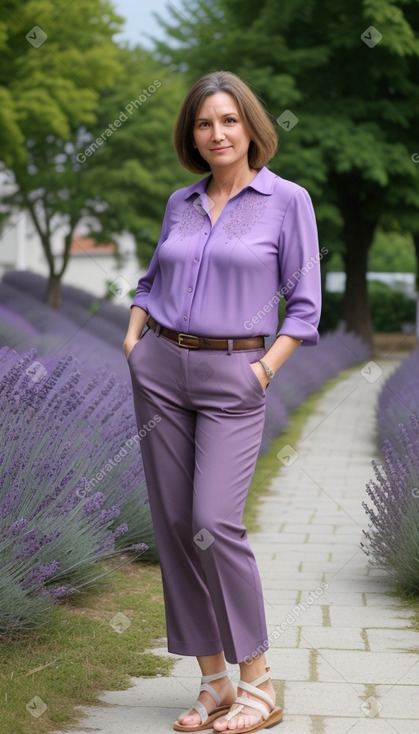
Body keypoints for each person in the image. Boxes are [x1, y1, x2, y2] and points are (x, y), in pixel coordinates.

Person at [124, 70, 321, 733]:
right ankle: (212, 681)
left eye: (228, 120)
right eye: (204, 123)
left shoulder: (286, 200)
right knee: (176, 526)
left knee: (214, 520)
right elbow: (154, 275)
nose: (216, 133)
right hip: (159, 370)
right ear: (192, 134)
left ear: (250, 127)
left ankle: (258, 683)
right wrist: (134, 330)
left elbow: (303, 307)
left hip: (234, 374)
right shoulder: (181, 201)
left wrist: (263, 370)